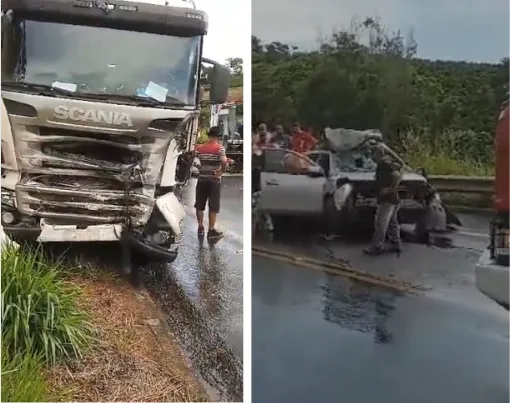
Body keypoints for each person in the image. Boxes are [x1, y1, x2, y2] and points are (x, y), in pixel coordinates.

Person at [363, 145, 403, 256]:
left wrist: (390, 188)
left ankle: (377, 246)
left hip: (388, 199)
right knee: (392, 222)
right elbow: (400, 171)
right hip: (392, 199)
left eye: (373, 154)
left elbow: (397, 174)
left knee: (381, 223)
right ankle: (396, 244)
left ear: (377, 154)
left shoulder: (383, 164)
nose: (372, 157)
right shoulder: (387, 163)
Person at [194, 126, 228, 240]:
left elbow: (191, 159)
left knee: (200, 204)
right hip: (214, 180)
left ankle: (200, 226)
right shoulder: (220, 148)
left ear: (208, 135)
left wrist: (200, 167)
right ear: (219, 136)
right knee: (213, 206)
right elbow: (224, 161)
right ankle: (211, 230)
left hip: (202, 179)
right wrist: (221, 171)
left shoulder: (200, 148)